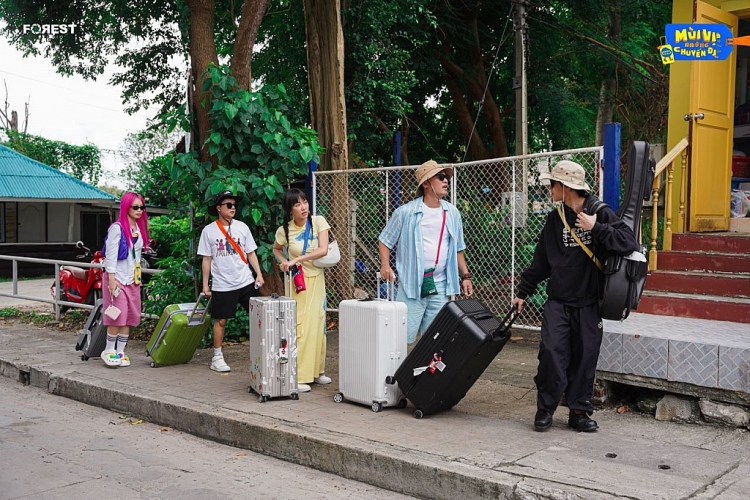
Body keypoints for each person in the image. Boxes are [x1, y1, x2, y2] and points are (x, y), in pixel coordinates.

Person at [511, 160, 639, 433]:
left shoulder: (599, 212)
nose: (549, 188)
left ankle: (579, 412)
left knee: (585, 358)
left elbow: (629, 242)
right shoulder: (554, 219)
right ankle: (545, 409)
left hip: (589, 302)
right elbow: (542, 261)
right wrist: (523, 292)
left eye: (551, 184)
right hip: (558, 302)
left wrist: (596, 228)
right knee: (551, 355)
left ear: (565, 187)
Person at [378, 160, 473, 345]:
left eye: (446, 177)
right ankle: (397, 373)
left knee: (435, 339)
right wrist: (385, 265)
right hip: (411, 286)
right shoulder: (405, 212)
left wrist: (466, 276)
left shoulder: (452, 212)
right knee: (402, 338)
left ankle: (425, 374)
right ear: (426, 183)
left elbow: (458, 249)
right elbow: (385, 240)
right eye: (441, 177)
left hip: (440, 286)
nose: (446, 181)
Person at [198, 190, 265, 373]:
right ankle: (217, 356)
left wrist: (258, 274)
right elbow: (206, 259)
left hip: (245, 281)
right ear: (219, 208)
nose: (233, 208)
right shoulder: (208, 231)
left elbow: (251, 252)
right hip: (222, 284)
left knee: (259, 316)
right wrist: (206, 284)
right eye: (228, 205)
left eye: (234, 205)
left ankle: (265, 351)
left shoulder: (242, 227)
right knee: (221, 321)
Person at [273, 189, 331, 393]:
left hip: (317, 280)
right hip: (298, 284)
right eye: (297, 204)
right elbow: (276, 249)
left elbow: (323, 249)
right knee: (301, 328)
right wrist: (284, 263)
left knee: (319, 324)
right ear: (290, 209)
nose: (303, 207)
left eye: (304, 202)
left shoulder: (318, 222)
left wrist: (296, 259)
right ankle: (300, 375)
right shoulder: (284, 231)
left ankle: (318, 371)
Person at [101, 191, 150, 368]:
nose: (139, 210)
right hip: (117, 278)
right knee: (117, 315)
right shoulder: (117, 228)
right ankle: (108, 350)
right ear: (126, 207)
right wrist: (111, 282)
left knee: (130, 315)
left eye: (141, 207)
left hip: (132, 279)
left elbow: (136, 257)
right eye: (135, 207)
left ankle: (121, 351)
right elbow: (110, 257)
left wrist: (138, 278)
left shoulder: (138, 229)